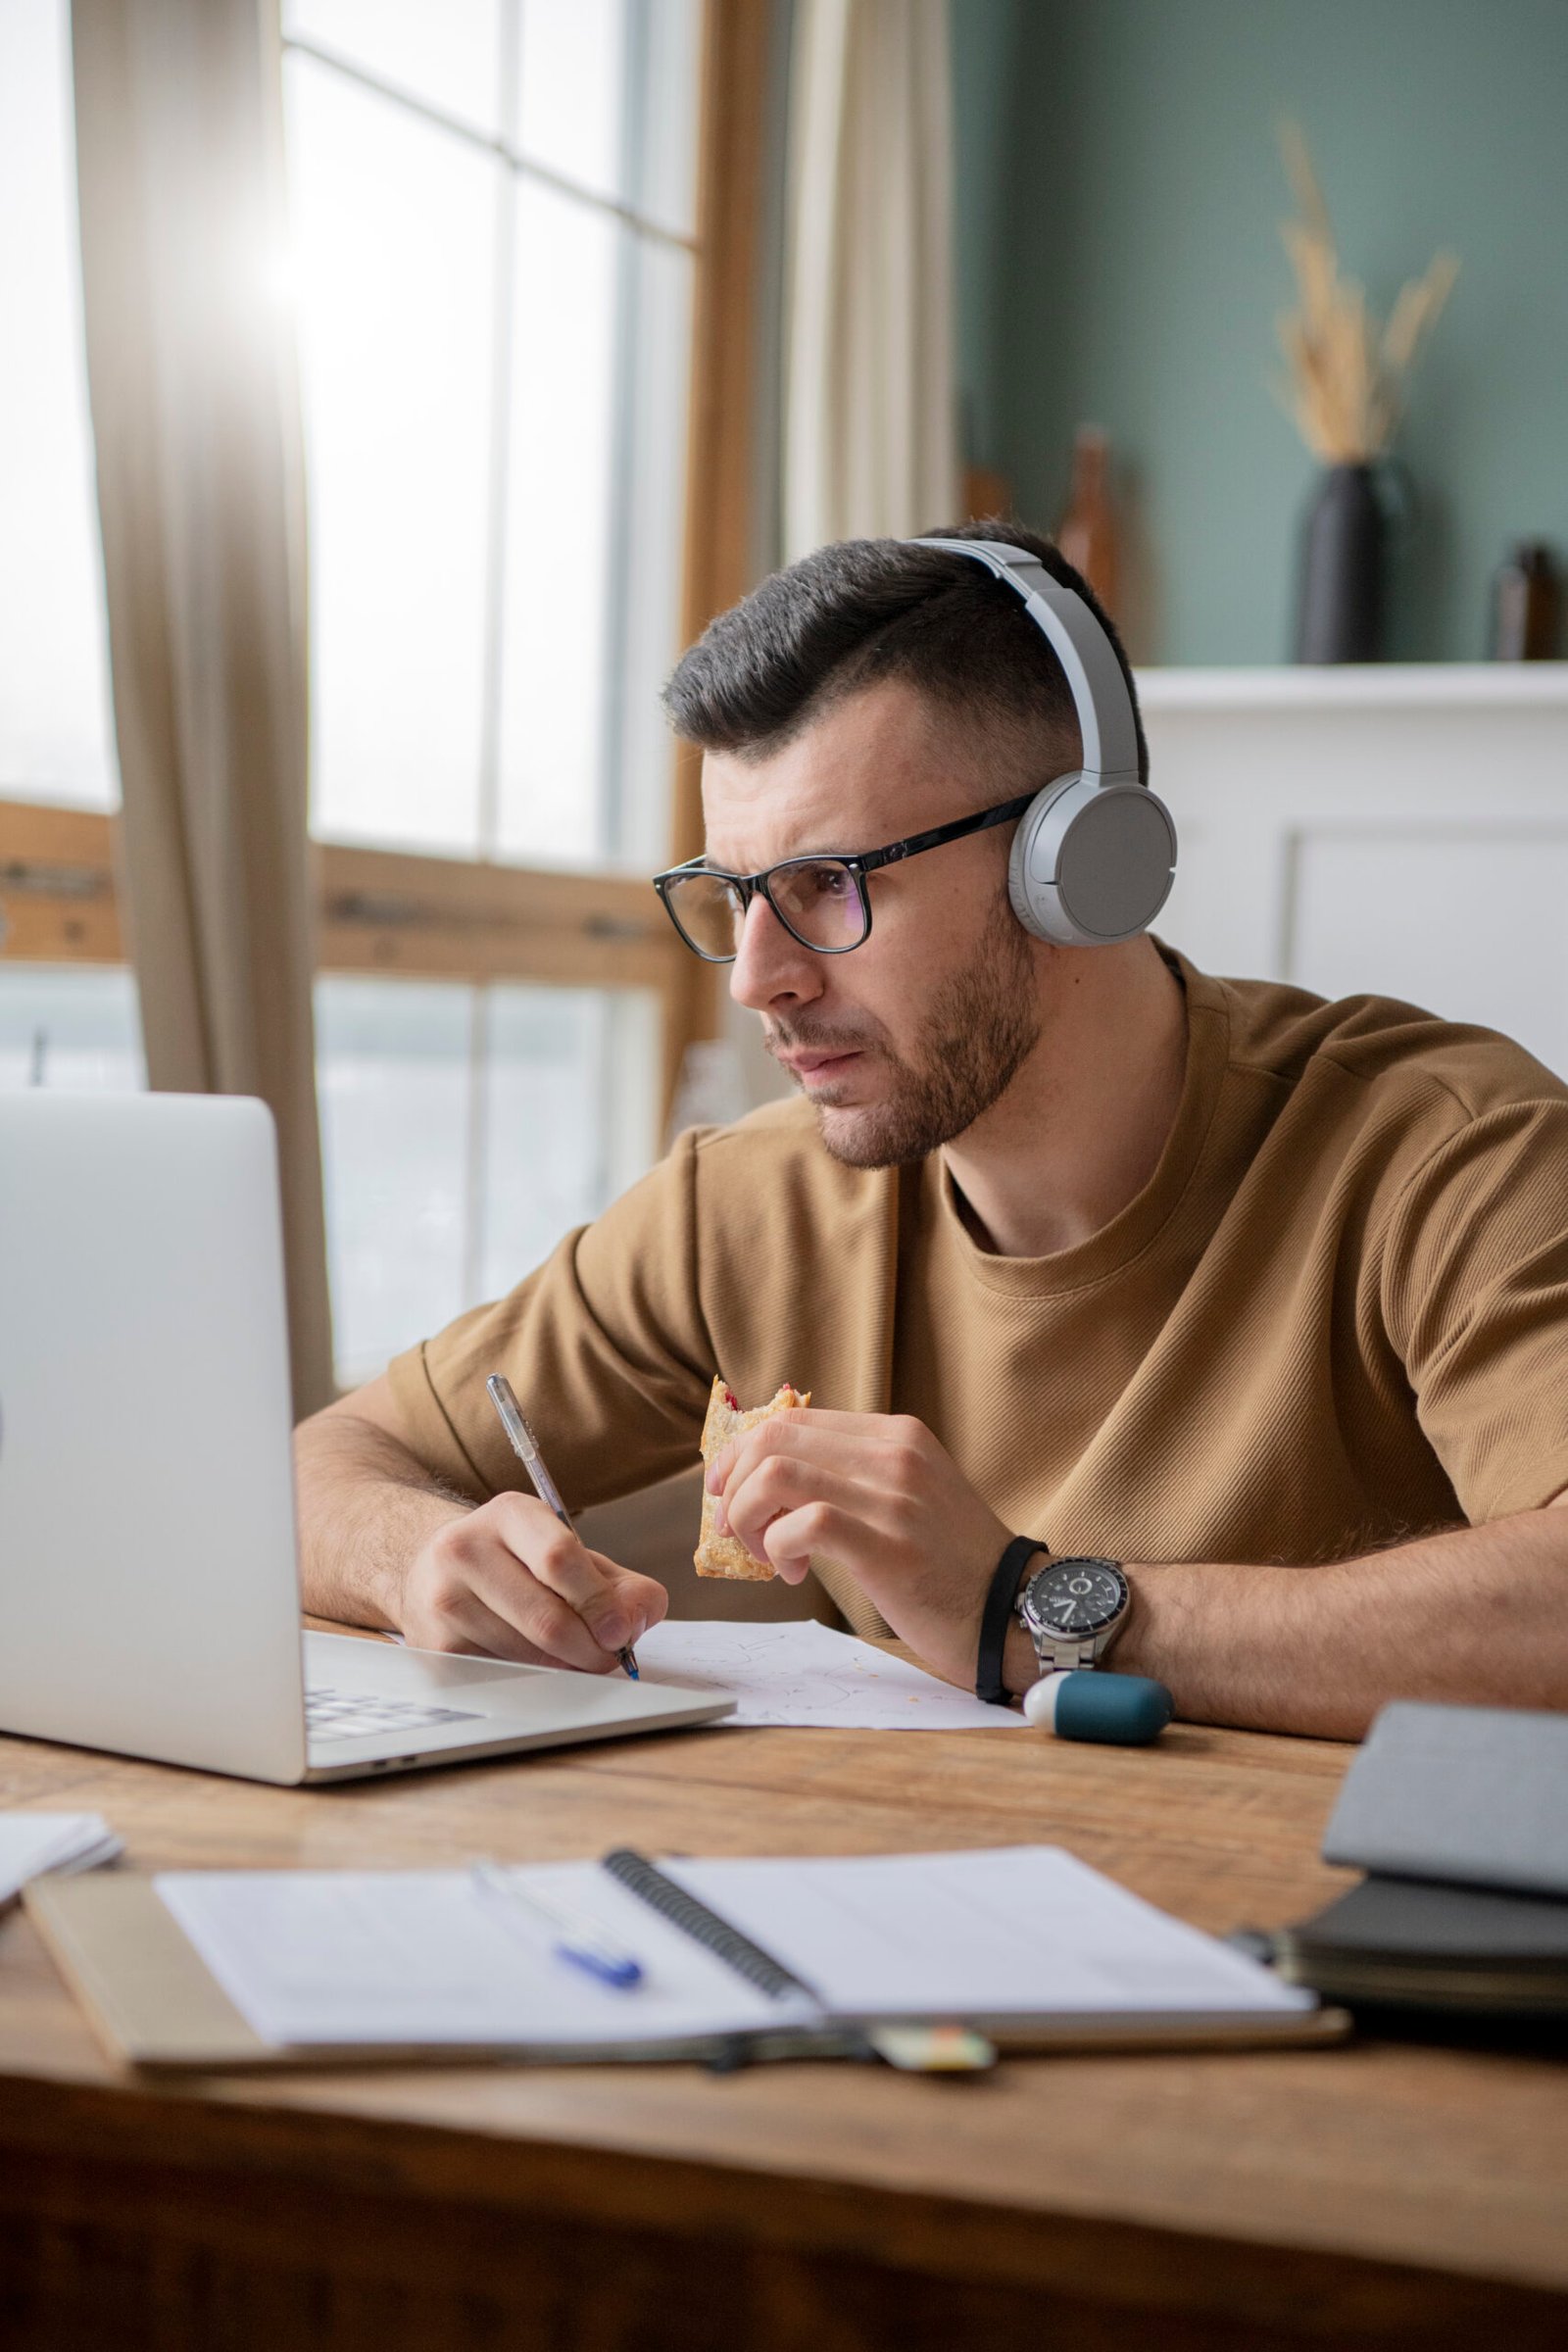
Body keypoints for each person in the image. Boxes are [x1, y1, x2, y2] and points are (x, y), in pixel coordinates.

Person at [294, 523, 1568, 1738]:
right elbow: (324, 1466)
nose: (757, 980)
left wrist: (1028, 1610)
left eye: (829, 884)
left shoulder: (1445, 1151)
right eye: (734, 894)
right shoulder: (744, 1207)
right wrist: (415, 1560)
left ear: (1079, 865)